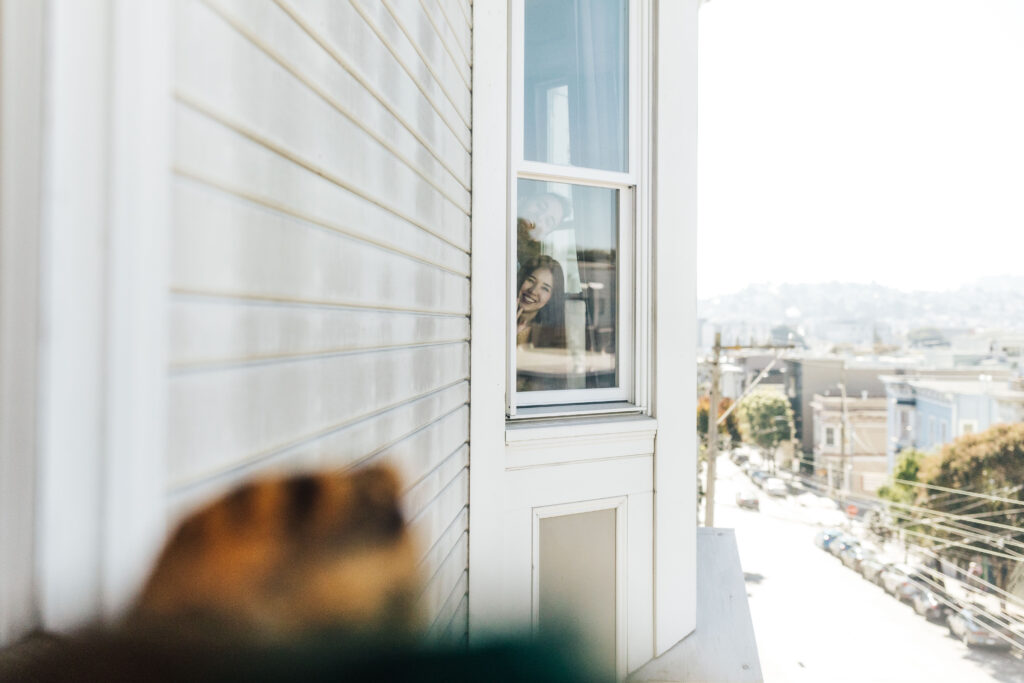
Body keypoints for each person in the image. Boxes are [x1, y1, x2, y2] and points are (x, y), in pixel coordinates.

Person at [516, 255, 566, 350]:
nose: (533, 291)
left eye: (545, 288)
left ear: (552, 297)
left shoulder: (552, 333)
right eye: (531, 280)